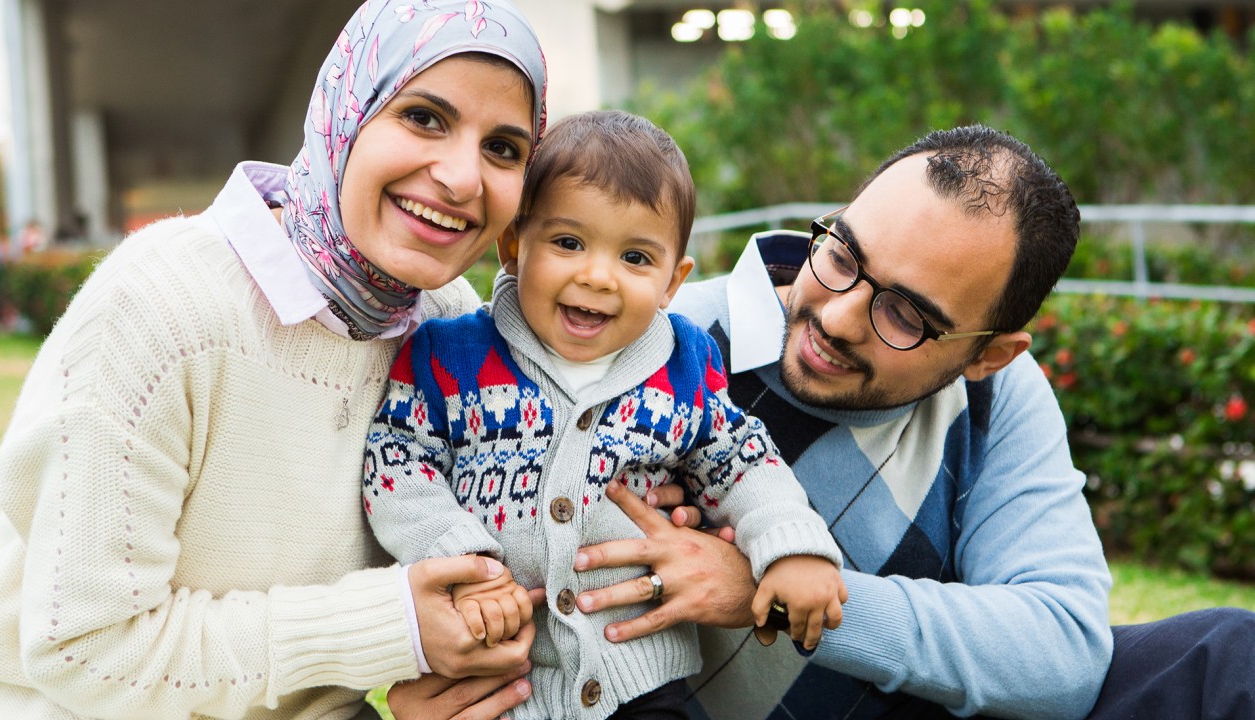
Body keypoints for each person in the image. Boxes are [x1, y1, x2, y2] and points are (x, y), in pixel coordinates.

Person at [390, 124, 1255, 719]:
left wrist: (772, 591)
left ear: (989, 353)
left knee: (1226, 655)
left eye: (907, 314)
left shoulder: (995, 398)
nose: (837, 316)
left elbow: (1062, 653)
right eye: (841, 254)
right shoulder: (645, 342)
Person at [0, 1, 550, 718]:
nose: (463, 178)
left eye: (503, 149)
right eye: (424, 117)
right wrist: (391, 628)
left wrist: (675, 545)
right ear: (346, 112)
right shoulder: (160, 305)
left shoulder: (448, 326)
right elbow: (84, 651)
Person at [362, 109, 846, 720]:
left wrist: (791, 545)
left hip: (639, 680)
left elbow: (741, 462)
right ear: (513, 247)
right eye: (568, 243)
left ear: (672, 282)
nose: (597, 276)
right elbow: (396, 464)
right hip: (500, 682)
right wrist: (464, 563)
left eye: (636, 257)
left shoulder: (683, 363)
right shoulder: (449, 355)